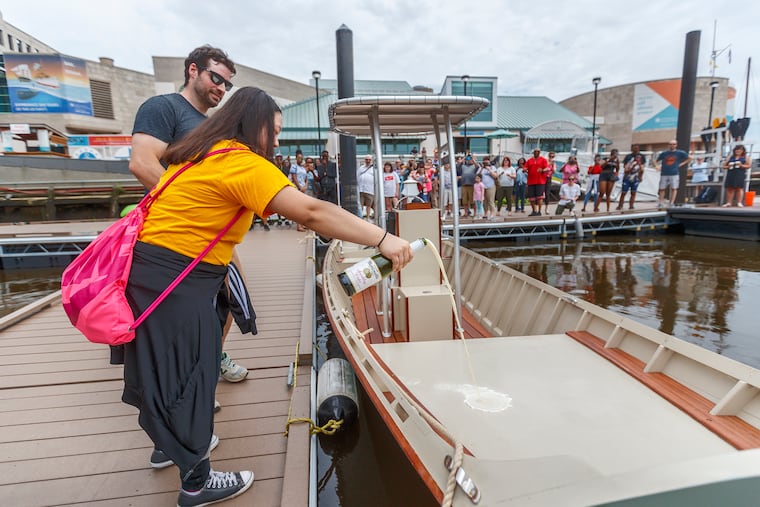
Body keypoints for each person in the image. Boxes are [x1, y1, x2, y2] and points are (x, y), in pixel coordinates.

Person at [124, 86, 414, 507]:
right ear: (252, 124)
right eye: (273, 132)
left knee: (171, 370)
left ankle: (172, 447)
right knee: (191, 372)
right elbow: (313, 212)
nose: (276, 142)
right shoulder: (239, 162)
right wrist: (384, 239)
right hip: (177, 280)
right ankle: (197, 483)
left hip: (154, 274)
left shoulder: (204, 154)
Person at [128, 45, 249, 389]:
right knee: (187, 313)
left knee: (230, 296)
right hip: (175, 235)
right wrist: (192, 204)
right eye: (216, 78)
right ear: (193, 70)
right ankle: (190, 384)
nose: (221, 89)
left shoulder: (212, 125)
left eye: (227, 84)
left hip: (214, 234)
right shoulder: (163, 107)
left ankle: (210, 361)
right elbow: (142, 163)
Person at [655, 140, 691, 208]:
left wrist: (681, 164)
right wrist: (657, 166)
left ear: (676, 145)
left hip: (674, 173)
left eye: (674, 144)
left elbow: (689, 158)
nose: (672, 145)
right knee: (662, 188)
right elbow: (656, 161)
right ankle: (661, 202)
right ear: (668, 145)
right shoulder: (664, 153)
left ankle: (671, 203)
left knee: (674, 188)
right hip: (664, 173)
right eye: (671, 144)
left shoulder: (680, 153)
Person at [525, 148, 550, 216]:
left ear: (539, 152)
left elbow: (547, 168)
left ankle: (539, 211)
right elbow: (525, 167)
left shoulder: (543, 160)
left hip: (540, 181)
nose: (536, 153)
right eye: (535, 151)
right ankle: (534, 210)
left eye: (538, 152)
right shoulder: (529, 160)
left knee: (539, 197)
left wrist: (542, 170)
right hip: (531, 181)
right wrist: (524, 169)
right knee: (531, 197)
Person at [357, 155, 375, 220]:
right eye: (366, 159)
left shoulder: (374, 168)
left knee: (369, 205)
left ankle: (368, 217)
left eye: (369, 160)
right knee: (360, 205)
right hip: (361, 189)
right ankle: (360, 217)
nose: (368, 161)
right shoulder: (361, 168)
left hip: (370, 190)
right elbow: (357, 176)